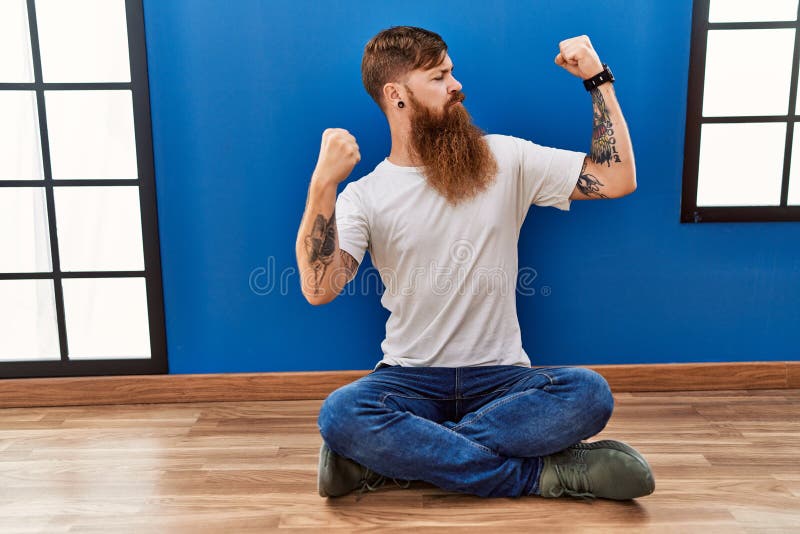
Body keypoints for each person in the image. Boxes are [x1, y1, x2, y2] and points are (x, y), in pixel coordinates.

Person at [295, 26, 653, 501]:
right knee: (341, 414)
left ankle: (396, 461)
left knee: (589, 393)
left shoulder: (505, 158)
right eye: (440, 76)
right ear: (396, 95)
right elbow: (319, 287)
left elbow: (616, 177)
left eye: (452, 72)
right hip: (408, 379)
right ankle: (544, 475)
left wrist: (597, 78)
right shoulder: (365, 196)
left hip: (503, 380)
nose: (456, 85)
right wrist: (323, 185)